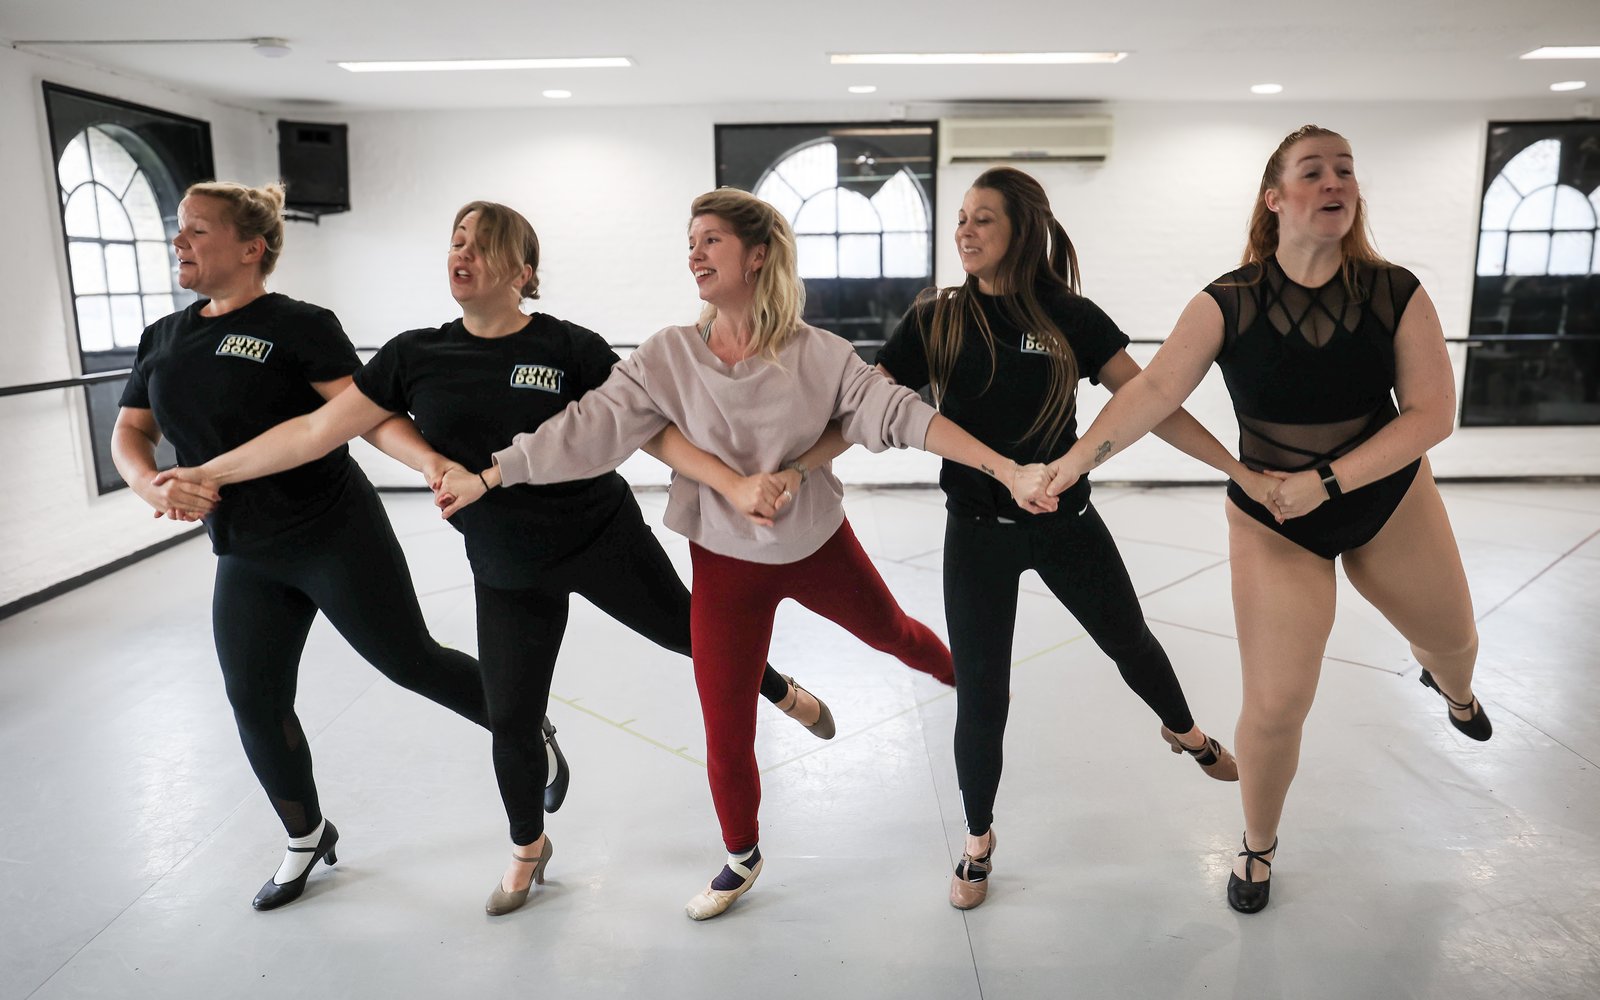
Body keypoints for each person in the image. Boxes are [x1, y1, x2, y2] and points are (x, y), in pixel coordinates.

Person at [160, 200, 835, 915]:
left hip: (600, 540)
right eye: (456, 241)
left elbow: (649, 432)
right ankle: (527, 847)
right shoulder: (414, 354)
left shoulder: (569, 346)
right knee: (512, 718)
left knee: (691, 634)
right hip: (508, 566)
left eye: (483, 245)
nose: (463, 254)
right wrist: (211, 473)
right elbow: (315, 430)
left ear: (524, 271)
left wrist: (728, 482)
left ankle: (779, 688)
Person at [435, 188, 1056, 920]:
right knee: (724, 722)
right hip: (725, 563)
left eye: (711, 241)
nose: (694, 254)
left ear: (757, 255)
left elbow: (901, 414)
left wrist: (1007, 469)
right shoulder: (668, 356)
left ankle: (971, 685)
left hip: (817, 547)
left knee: (894, 634)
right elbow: (588, 426)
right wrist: (493, 472)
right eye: (691, 242)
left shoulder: (818, 354)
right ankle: (740, 855)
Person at [1046, 125, 1490, 914]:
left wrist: (1329, 479)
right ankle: (1258, 847)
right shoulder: (1229, 301)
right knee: (1278, 703)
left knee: (1455, 638)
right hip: (1273, 518)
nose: (1335, 184)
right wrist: (1072, 463)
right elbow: (1151, 394)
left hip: (1386, 496)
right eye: (1314, 172)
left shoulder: (1395, 292)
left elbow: (1432, 415)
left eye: (1346, 171)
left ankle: (1453, 691)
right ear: (1274, 197)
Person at [111, 181, 567, 912]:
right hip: (244, 549)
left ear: (251, 247)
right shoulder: (163, 337)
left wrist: (429, 462)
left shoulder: (298, 324)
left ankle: (521, 723)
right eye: (180, 230)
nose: (180, 242)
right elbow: (131, 431)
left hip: (330, 531)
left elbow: (362, 413)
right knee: (253, 700)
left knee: (408, 660)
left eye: (197, 230)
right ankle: (306, 835)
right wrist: (148, 484)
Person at [871, 166, 1249, 910]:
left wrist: (1234, 467)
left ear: (1021, 231)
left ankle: (1185, 730)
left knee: (1130, 642)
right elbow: (865, 401)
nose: (965, 232)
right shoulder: (936, 319)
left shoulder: (1068, 316)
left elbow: (1151, 401)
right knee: (982, 695)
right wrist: (790, 464)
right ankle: (978, 842)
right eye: (961, 219)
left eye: (983, 219)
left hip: (1066, 525)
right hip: (977, 533)